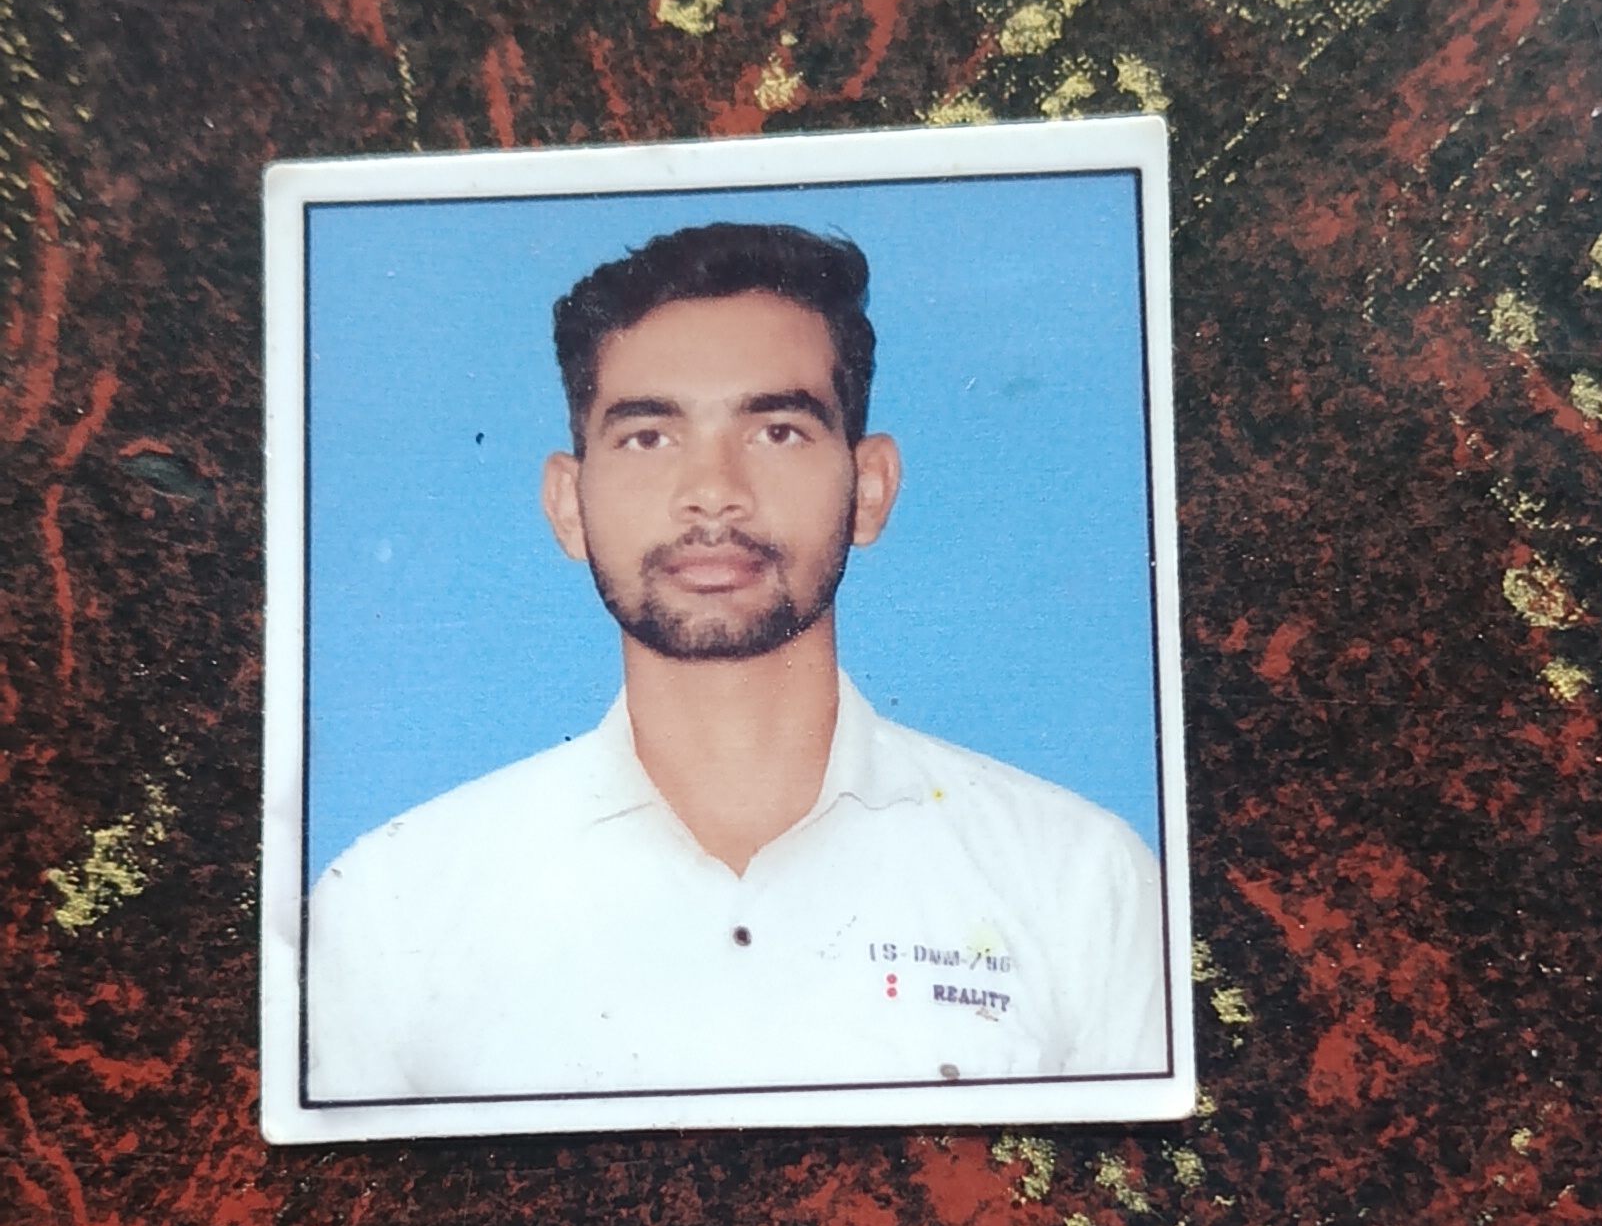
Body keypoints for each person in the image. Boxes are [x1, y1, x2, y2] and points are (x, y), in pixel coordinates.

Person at [305, 219, 1171, 1102]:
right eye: (649, 436)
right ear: (567, 505)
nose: (713, 493)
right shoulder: (388, 908)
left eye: (778, 431)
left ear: (870, 489)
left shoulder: (1078, 883)